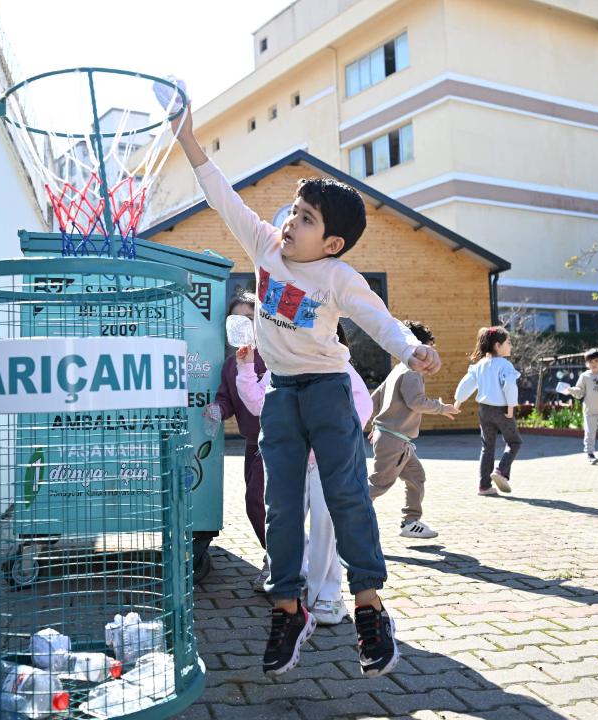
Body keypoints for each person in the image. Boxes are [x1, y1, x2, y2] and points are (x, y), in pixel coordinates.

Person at [174, 104, 441, 678]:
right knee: (282, 503)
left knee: (346, 497)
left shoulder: (339, 279)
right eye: (294, 212)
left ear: (333, 243)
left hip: (325, 390)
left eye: (306, 219)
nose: (291, 223)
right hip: (280, 394)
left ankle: (369, 608)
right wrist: (189, 139)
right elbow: (223, 197)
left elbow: (380, 321)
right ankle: (288, 610)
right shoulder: (267, 246)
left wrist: (410, 349)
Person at [234, 327, 373, 627]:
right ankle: (298, 588)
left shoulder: (337, 365)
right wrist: (245, 367)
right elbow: (258, 403)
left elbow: (363, 404)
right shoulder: (281, 368)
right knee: (287, 524)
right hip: (292, 462)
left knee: (327, 527)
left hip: (328, 463)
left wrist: (336, 442)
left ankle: (328, 596)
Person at [368, 320, 459, 539]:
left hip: (396, 439)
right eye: (429, 349)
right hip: (394, 440)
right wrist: (441, 407)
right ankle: (343, 518)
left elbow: (375, 400)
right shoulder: (411, 371)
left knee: (416, 476)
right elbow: (415, 401)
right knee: (378, 485)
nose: (430, 357)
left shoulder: (397, 369)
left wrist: (375, 426)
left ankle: (411, 522)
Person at [213, 292, 270, 589]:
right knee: (254, 506)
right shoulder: (230, 364)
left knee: (259, 502)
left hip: (278, 443)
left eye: (250, 318)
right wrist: (216, 410)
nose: (244, 326)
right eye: (237, 320)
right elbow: (227, 400)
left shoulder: (276, 355)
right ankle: (276, 556)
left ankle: (280, 561)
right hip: (252, 444)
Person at [454, 327, 520, 497]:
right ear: (498, 345)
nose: (510, 346)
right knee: (514, 442)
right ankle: (500, 471)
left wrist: (458, 402)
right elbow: (510, 386)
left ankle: (484, 486)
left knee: (487, 447)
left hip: (484, 410)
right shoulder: (505, 365)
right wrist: (511, 407)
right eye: (508, 343)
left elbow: (466, 384)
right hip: (502, 409)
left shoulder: (480, 365)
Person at [568, 349, 598, 465]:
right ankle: (590, 454)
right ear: (586, 363)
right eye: (590, 361)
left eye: (596, 361)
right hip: (590, 412)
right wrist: (572, 390)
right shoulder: (584, 376)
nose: (593, 364)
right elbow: (580, 391)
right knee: (589, 434)